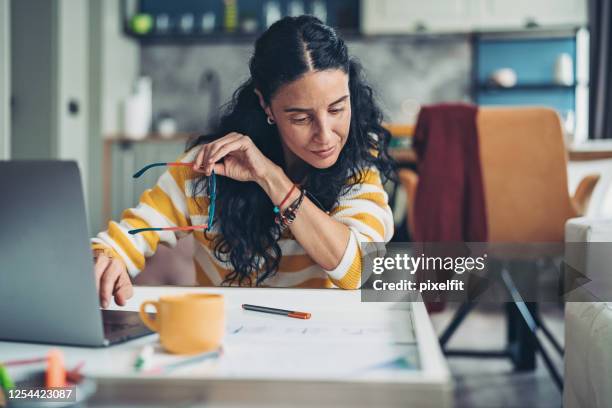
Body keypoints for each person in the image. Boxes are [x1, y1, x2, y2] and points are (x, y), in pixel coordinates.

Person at [91, 15, 395, 309]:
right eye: (301, 118)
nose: (326, 136)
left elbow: (360, 270)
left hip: (318, 340)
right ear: (266, 105)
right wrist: (108, 257)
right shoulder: (212, 164)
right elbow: (132, 232)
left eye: (337, 109)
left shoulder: (358, 165)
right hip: (223, 339)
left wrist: (271, 178)